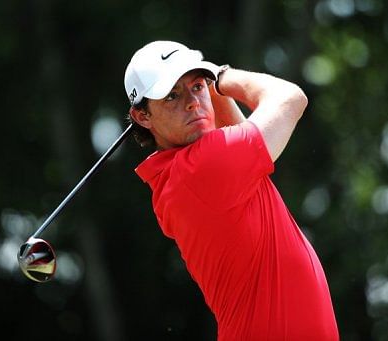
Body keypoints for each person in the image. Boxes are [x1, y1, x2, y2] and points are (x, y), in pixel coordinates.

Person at [124, 40, 339, 341]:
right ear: (142, 117)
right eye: (171, 95)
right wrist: (220, 76)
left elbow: (244, 140)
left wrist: (207, 85)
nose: (191, 102)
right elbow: (291, 99)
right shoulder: (200, 167)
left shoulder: (182, 174)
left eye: (196, 87)